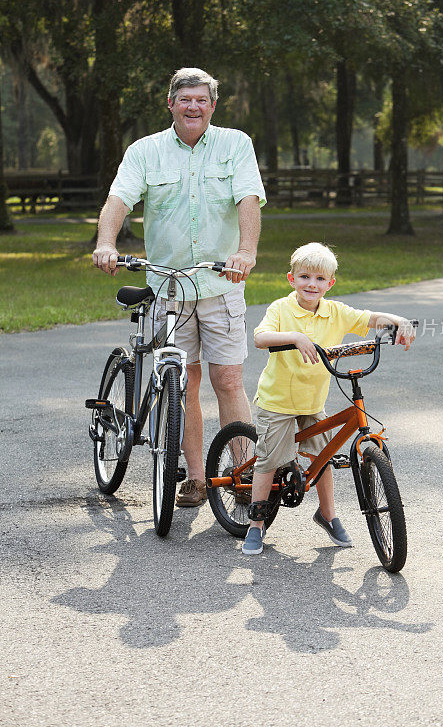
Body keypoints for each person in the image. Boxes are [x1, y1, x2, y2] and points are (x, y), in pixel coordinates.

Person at [93, 67, 266, 507]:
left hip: (220, 284)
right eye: (184, 98)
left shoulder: (235, 144)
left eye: (201, 99)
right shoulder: (145, 151)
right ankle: (195, 478)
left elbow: (248, 198)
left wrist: (246, 251)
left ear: (213, 106)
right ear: (170, 103)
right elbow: (118, 199)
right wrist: (106, 243)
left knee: (228, 379)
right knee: (183, 382)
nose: (193, 106)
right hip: (168, 290)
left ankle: (243, 474)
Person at [242, 242, 415, 555]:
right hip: (277, 401)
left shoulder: (336, 312)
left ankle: (327, 514)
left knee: (324, 460)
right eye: (305, 277)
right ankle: (256, 523)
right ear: (291, 279)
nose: (312, 284)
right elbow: (259, 337)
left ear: (330, 283)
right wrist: (294, 337)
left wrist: (397, 321)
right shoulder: (281, 309)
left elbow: (370, 317)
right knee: (268, 460)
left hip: (311, 402)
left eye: (320, 279)